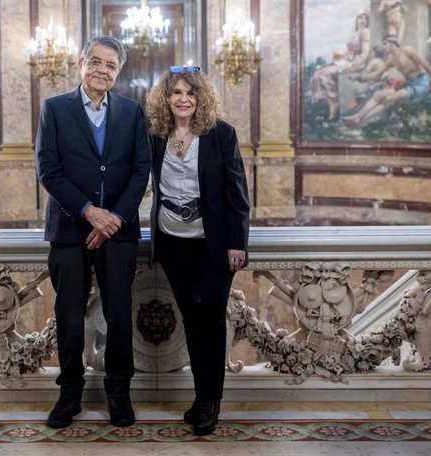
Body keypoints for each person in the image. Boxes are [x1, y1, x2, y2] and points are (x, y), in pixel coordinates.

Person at [35, 36, 151, 429]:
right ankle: (69, 395)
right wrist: (89, 213)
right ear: (80, 63)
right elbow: (48, 171)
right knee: (69, 317)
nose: (103, 70)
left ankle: (120, 394)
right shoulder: (54, 109)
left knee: (119, 315)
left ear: (118, 72)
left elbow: (141, 171)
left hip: (118, 232)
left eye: (111, 65)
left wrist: (112, 218)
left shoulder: (133, 112)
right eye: (96, 61)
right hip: (69, 230)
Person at [144, 66, 250, 436]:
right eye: (176, 93)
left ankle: (210, 402)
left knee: (210, 319)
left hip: (214, 243)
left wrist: (237, 242)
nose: (183, 99)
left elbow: (237, 192)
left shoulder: (221, 134)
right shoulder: (157, 135)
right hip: (172, 240)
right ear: (166, 99)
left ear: (201, 97)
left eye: (190, 92)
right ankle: (199, 396)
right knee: (191, 317)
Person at [342, 35, 431, 127]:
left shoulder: (407, 51)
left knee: (391, 98)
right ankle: (358, 116)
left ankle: (363, 120)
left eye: (385, 44)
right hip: (409, 84)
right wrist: (360, 78)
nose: (384, 47)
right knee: (378, 95)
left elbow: (426, 65)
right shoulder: (391, 59)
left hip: (421, 82)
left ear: (392, 43)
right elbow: (377, 75)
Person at [310, 13, 371, 119]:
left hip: (356, 62)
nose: (363, 20)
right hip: (347, 60)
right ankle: (331, 102)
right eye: (360, 17)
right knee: (317, 74)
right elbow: (350, 51)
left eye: (365, 18)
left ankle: (334, 102)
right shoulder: (355, 33)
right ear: (356, 20)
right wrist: (341, 54)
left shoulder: (365, 32)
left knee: (325, 73)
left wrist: (354, 66)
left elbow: (365, 53)